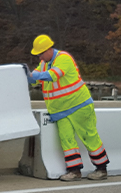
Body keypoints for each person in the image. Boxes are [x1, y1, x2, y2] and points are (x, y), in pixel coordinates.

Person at [28, 34, 110, 182]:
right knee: (66, 139)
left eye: (40, 53)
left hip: (78, 105)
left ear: (48, 49)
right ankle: (74, 171)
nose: (40, 57)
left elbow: (52, 76)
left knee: (88, 136)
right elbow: (36, 79)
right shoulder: (45, 64)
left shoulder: (63, 58)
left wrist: (34, 75)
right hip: (60, 111)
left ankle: (102, 168)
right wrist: (28, 76)